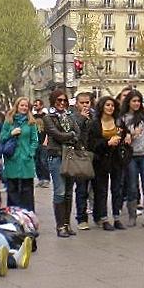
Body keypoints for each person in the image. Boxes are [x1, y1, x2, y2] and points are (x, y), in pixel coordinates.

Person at [42, 89, 82, 238]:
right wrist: (70, 135)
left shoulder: (70, 116)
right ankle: (60, 226)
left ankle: (67, 224)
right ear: (53, 101)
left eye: (64, 100)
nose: (62, 103)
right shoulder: (48, 117)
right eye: (59, 100)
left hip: (70, 155)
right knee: (60, 190)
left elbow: (77, 133)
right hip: (57, 156)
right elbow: (56, 135)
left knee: (69, 192)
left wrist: (71, 136)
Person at [87, 96, 128, 230]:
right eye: (107, 105)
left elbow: (124, 137)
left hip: (116, 159)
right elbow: (92, 144)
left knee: (117, 189)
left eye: (112, 105)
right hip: (100, 161)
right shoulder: (95, 124)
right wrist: (107, 142)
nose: (110, 108)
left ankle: (117, 217)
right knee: (101, 190)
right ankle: (103, 218)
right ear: (102, 107)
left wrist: (123, 137)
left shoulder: (119, 122)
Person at [120, 90, 144, 227]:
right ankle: (132, 216)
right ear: (128, 102)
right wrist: (129, 135)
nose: (136, 104)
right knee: (131, 187)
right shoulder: (123, 118)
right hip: (131, 156)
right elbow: (120, 136)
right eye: (134, 101)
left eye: (138, 101)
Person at [0, 96, 39, 212]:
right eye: (22, 105)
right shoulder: (9, 121)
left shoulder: (31, 123)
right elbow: (1, 138)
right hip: (12, 158)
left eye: (26, 106)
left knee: (27, 189)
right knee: (12, 189)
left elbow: (35, 140)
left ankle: (28, 213)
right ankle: (14, 214)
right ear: (17, 106)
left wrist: (30, 153)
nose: (24, 108)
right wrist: (11, 133)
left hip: (26, 159)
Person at [72, 93, 94, 230]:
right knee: (81, 188)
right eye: (82, 103)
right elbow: (74, 134)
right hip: (79, 155)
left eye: (87, 102)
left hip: (94, 154)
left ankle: (98, 215)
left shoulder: (94, 116)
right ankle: (81, 218)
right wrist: (81, 118)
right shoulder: (73, 117)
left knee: (96, 188)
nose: (85, 105)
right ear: (77, 104)